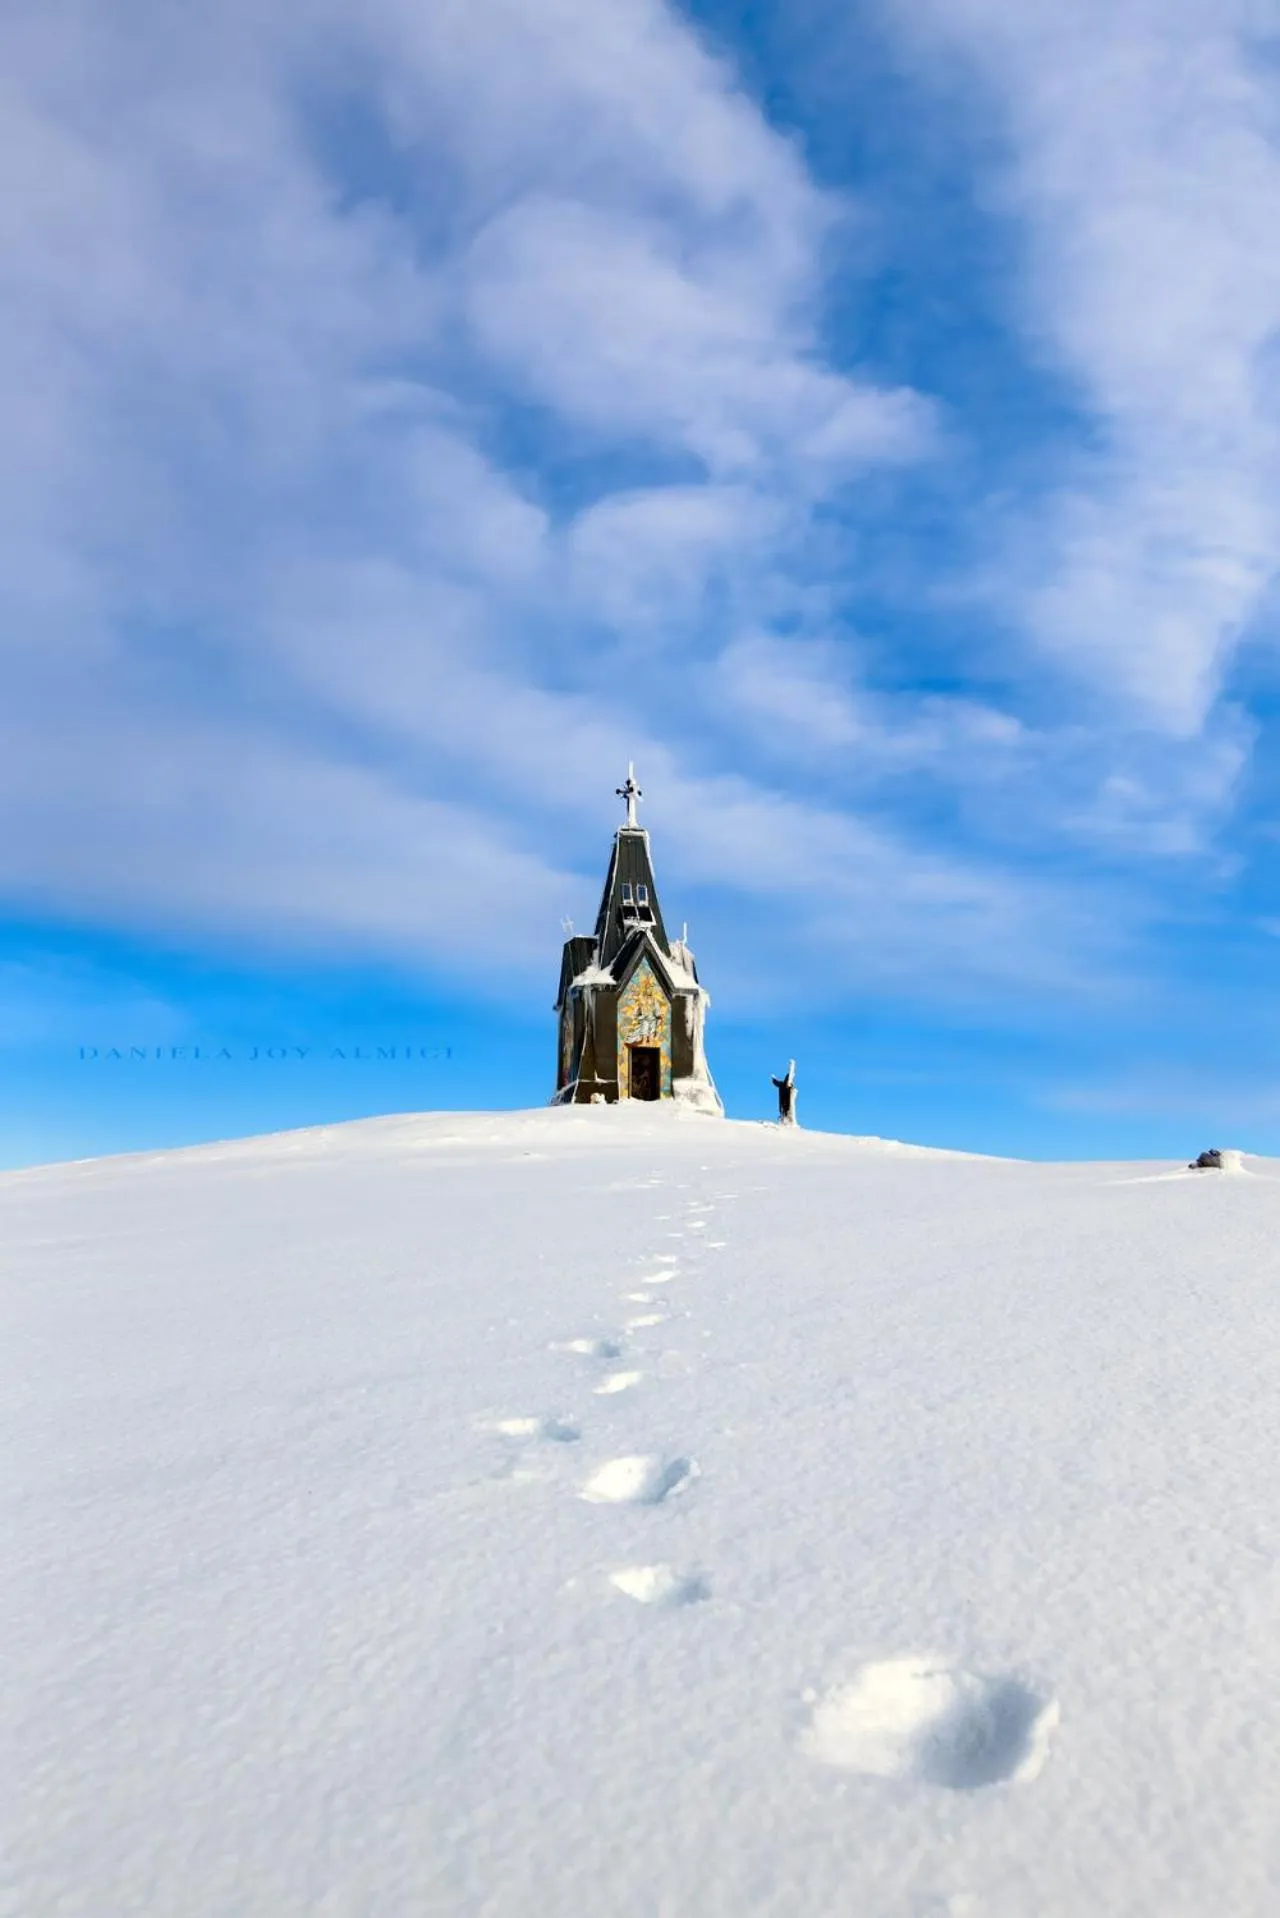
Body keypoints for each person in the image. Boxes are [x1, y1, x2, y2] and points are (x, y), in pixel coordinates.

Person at [772, 1059, 797, 1126]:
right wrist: (774, 1079)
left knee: (784, 1113)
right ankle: (784, 1123)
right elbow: (776, 1082)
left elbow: (776, 1082)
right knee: (784, 1113)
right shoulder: (787, 1086)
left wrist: (773, 1079)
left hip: (784, 1104)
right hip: (785, 1103)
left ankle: (785, 1123)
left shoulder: (788, 1086)